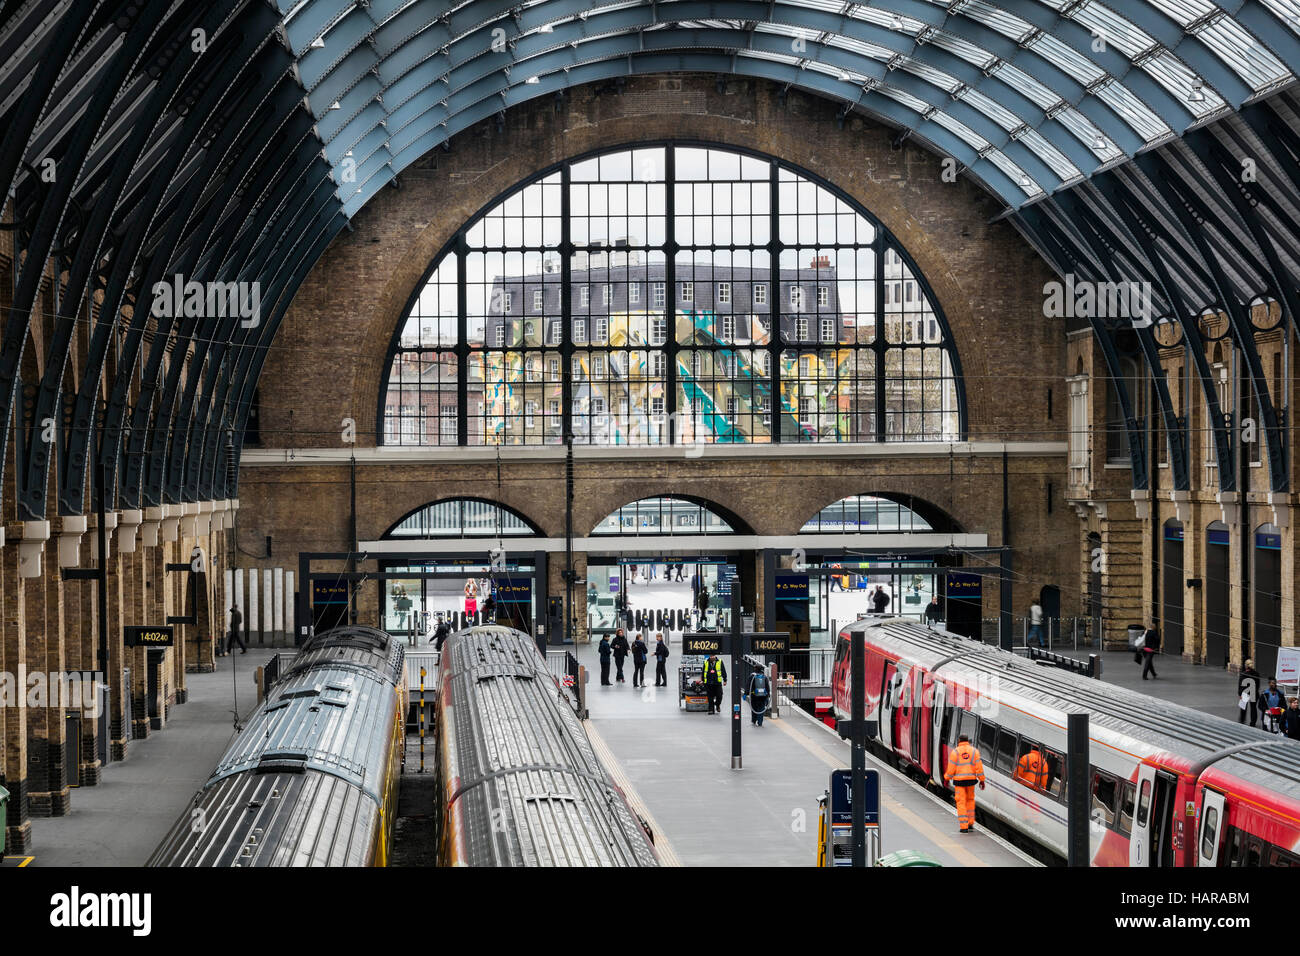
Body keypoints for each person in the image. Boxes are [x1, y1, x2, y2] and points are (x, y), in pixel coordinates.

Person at [943, 733, 986, 833]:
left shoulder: (955, 752)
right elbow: (979, 767)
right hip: (971, 781)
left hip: (959, 782)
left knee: (961, 802)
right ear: (967, 741)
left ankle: (964, 826)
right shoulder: (975, 751)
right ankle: (970, 823)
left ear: (959, 741)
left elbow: (951, 769)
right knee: (970, 801)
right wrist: (982, 780)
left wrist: (947, 779)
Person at [1239, 660, 1261, 727]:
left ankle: (1242, 720)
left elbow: (1240, 685)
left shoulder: (1243, 674)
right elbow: (1258, 685)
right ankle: (1253, 722)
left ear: (1246, 665)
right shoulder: (1256, 674)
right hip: (1253, 692)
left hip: (1245, 692)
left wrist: (1240, 694)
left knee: (1243, 707)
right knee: (1253, 708)